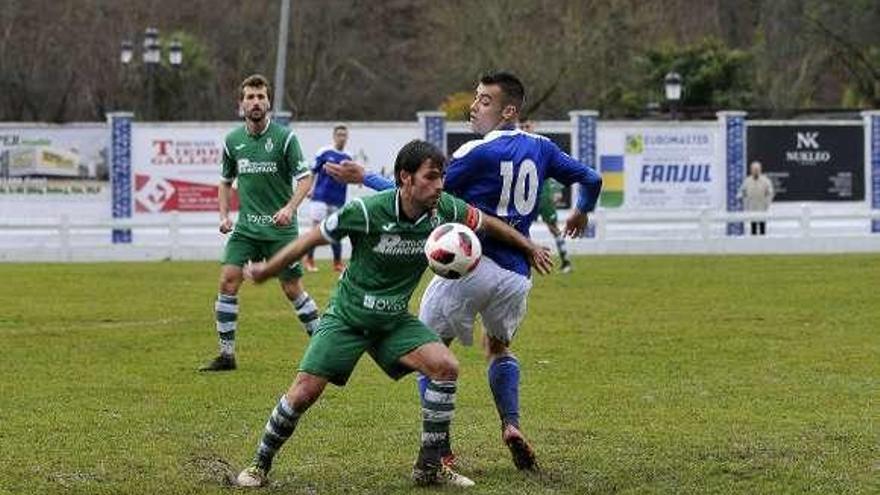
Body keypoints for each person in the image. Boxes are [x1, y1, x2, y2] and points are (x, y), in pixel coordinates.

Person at [323, 72, 602, 471]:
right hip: (515, 277)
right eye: (475, 98)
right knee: (499, 350)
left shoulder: (477, 152)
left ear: (509, 111)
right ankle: (510, 425)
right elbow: (591, 178)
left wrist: (364, 176)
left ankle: (442, 451)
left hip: (470, 267)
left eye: (484, 101)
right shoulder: (542, 148)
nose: (474, 106)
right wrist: (582, 210)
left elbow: (418, 192)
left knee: (432, 355)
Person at [234, 140, 552, 488]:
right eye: (431, 177)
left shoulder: (444, 211)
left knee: (445, 367)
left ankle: (429, 466)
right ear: (405, 178)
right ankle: (259, 465)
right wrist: (268, 270)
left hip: (393, 322)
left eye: (442, 177)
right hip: (348, 318)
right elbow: (311, 239)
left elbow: (487, 223)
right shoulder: (368, 211)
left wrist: (529, 246)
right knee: (303, 393)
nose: (440, 185)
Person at [199, 74, 320, 372]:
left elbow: (306, 179)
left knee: (292, 289)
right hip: (247, 230)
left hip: (280, 230)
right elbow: (225, 182)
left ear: (268, 102)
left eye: (260, 97)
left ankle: (323, 348)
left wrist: (290, 208)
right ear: (240, 104)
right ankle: (226, 355)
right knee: (228, 280)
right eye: (250, 97)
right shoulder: (233, 141)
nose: (255, 102)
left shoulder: (285, 138)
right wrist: (224, 215)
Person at [520, 120, 573, 274]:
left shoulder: (542, 146)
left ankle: (566, 261)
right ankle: (523, 262)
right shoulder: (516, 146)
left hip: (543, 194)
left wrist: (557, 190)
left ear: (534, 127)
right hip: (524, 196)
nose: (525, 129)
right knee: (519, 228)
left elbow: (557, 168)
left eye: (527, 126)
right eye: (522, 126)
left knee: (553, 227)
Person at [303, 124, 352, 272]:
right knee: (316, 229)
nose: (341, 138)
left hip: (338, 199)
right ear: (334, 136)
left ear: (347, 137)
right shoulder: (325, 152)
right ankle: (309, 260)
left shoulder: (348, 157)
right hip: (320, 197)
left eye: (344, 135)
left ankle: (337, 263)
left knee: (336, 230)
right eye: (339, 135)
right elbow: (313, 172)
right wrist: (309, 189)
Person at [739, 160, 775, 236]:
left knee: (762, 226)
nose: (756, 171)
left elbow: (770, 192)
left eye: (757, 169)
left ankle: (763, 243)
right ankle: (753, 243)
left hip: (762, 206)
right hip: (752, 206)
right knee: (753, 227)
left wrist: (767, 202)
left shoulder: (766, 181)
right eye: (754, 169)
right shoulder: (747, 181)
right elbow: (742, 191)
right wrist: (745, 201)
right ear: (751, 170)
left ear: (760, 170)